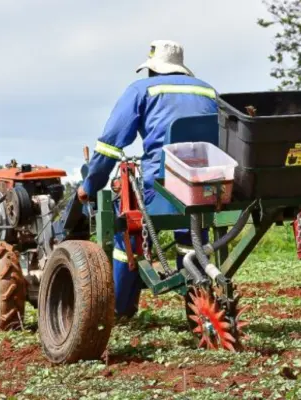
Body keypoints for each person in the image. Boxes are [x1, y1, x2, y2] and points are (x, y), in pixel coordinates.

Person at [78, 40, 215, 318]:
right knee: (192, 236)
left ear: (152, 69)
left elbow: (110, 145)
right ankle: (197, 307)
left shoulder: (141, 89)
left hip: (160, 187)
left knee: (125, 232)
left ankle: (122, 308)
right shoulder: (207, 90)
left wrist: (90, 185)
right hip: (206, 185)